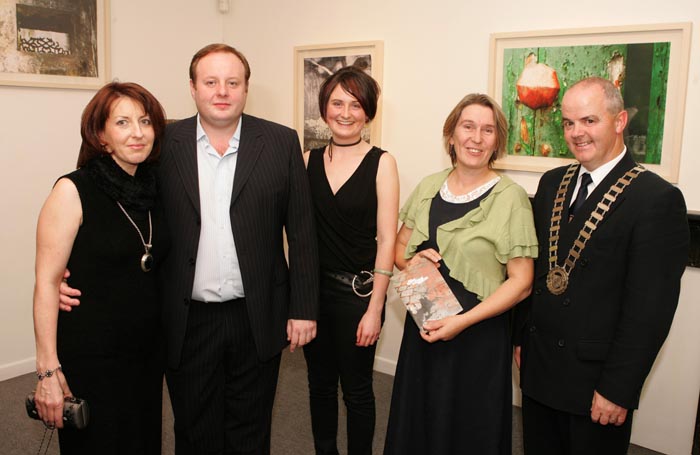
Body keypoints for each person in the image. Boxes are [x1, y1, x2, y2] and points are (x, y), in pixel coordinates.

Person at [60, 44, 320, 455]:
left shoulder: (280, 142)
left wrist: (303, 308)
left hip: (258, 314)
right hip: (186, 318)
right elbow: (119, 215)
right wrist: (68, 273)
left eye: (232, 82)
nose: (222, 91)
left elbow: (303, 233)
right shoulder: (162, 143)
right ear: (193, 88)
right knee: (194, 429)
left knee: (251, 431)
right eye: (211, 81)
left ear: (246, 88)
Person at [514, 76, 689, 455]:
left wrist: (618, 389)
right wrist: (520, 335)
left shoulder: (655, 199)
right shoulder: (551, 183)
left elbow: (650, 310)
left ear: (620, 121)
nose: (577, 133)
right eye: (568, 123)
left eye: (589, 121)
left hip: (596, 383)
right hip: (540, 368)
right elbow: (538, 272)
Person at [384, 93, 538, 455]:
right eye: (468, 126)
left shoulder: (511, 198)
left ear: (497, 141)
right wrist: (415, 260)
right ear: (451, 135)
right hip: (425, 328)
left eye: (488, 130)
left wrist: (462, 322)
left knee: (468, 429)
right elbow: (398, 251)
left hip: (478, 337)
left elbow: (522, 281)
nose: (477, 137)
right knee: (419, 423)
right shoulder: (427, 187)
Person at [33, 82, 167, 454]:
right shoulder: (72, 190)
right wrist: (47, 371)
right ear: (101, 135)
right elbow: (46, 283)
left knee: (142, 442)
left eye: (145, 121)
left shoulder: (155, 189)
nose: (137, 132)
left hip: (145, 354)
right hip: (92, 355)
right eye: (122, 122)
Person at [301, 66, 399, 455]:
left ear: (368, 112)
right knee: (318, 385)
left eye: (355, 105)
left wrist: (375, 308)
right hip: (312, 294)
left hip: (358, 295)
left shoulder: (382, 162)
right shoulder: (306, 159)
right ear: (325, 109)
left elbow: (388, 239)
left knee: (357, 390)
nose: (345, 112)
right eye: (337, 103)